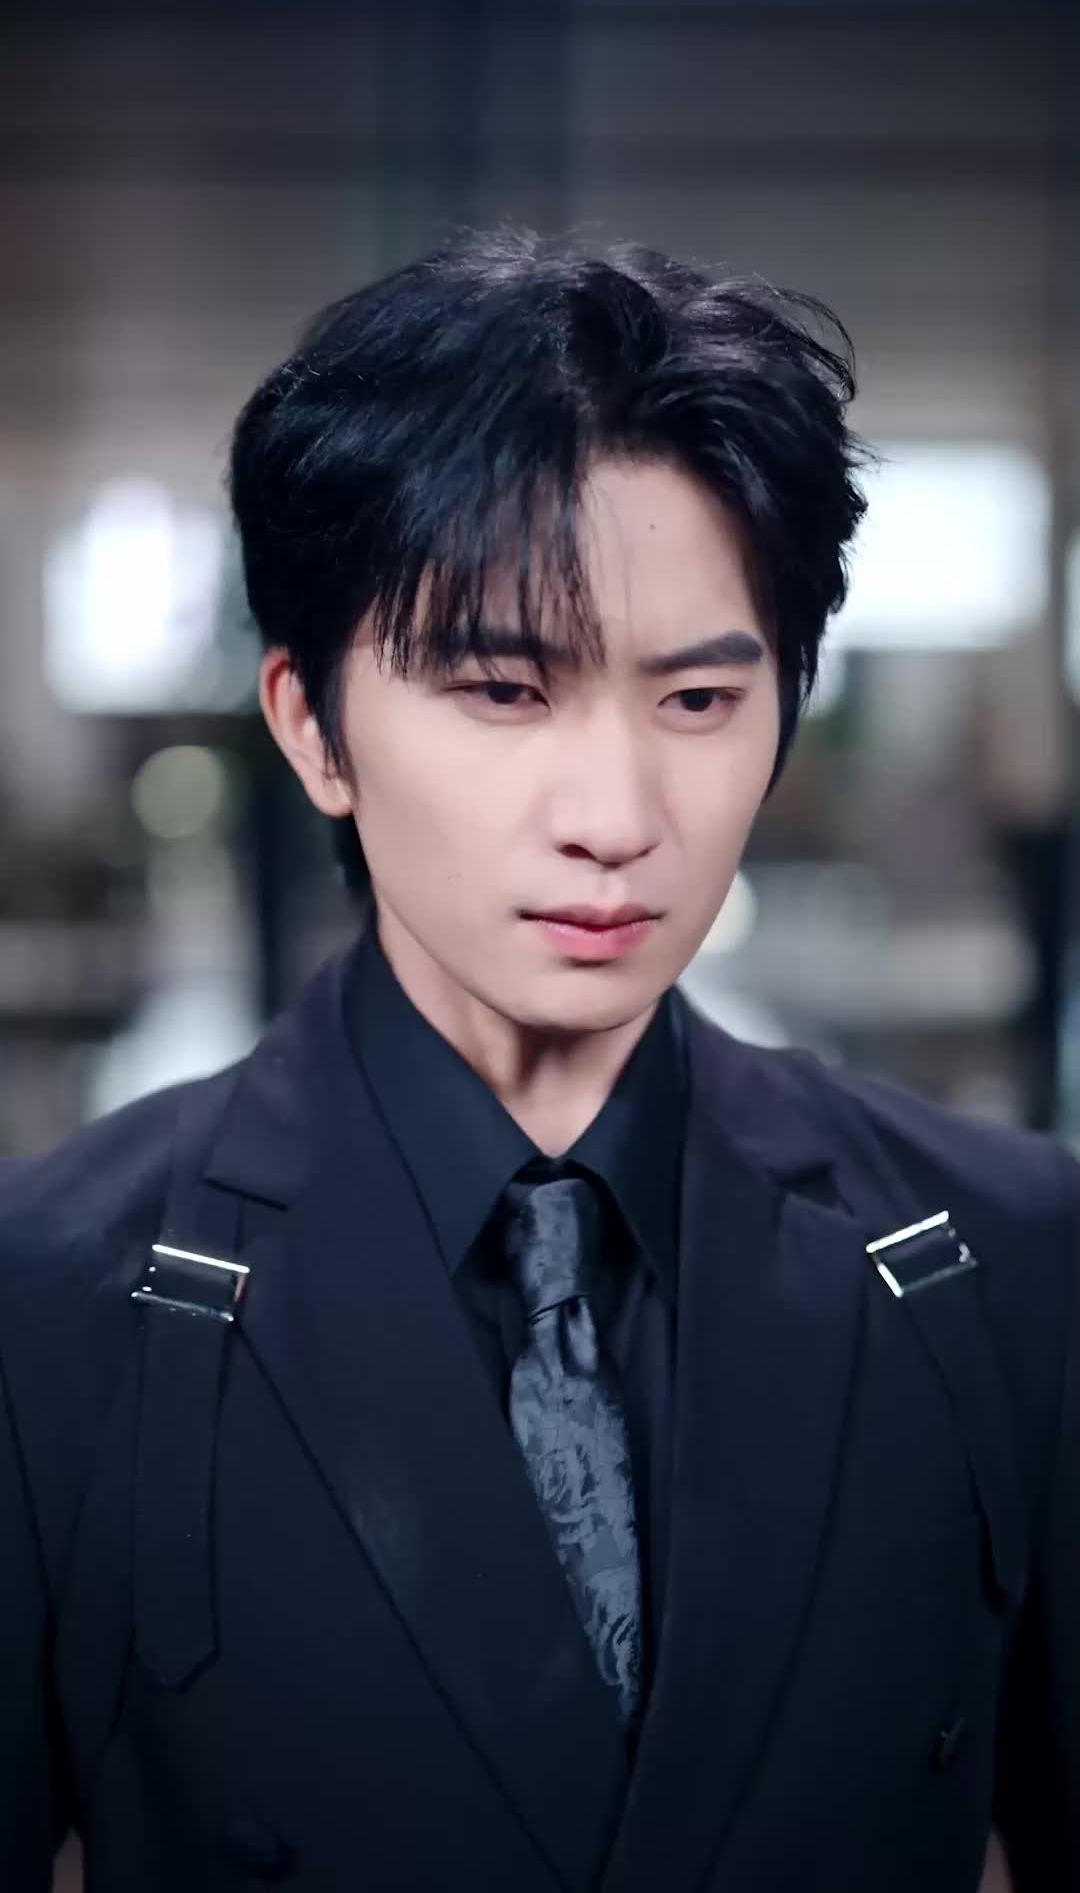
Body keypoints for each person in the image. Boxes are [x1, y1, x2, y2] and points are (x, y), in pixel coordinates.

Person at [0, 229, 1075, 1893]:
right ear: (311, 726)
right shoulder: (53, 1305)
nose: (617, 818)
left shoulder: (1006, 1260)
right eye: (504, 690)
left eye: (699, 702)